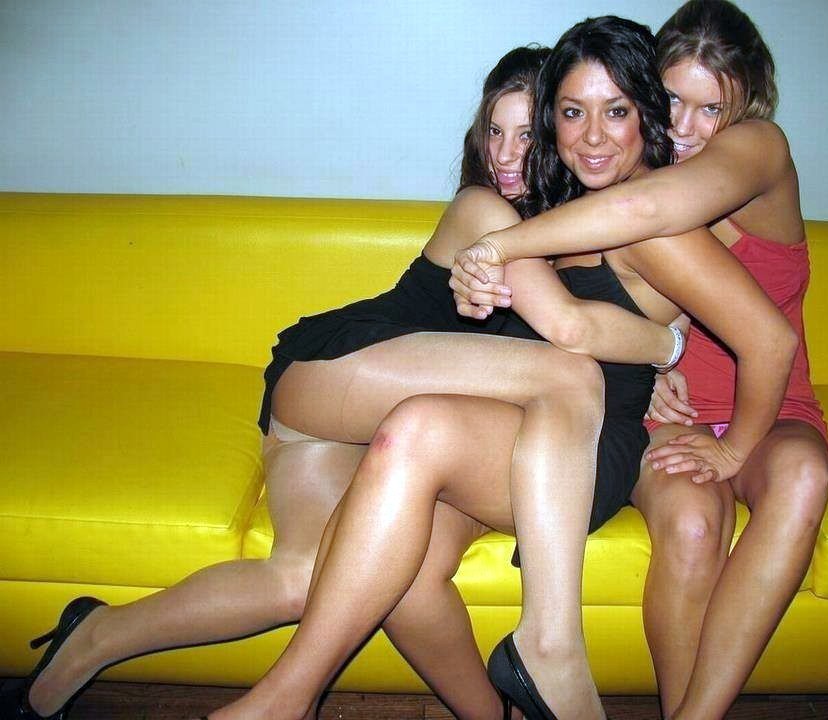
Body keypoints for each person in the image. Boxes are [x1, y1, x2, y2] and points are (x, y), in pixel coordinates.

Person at [2, 45, 676, 720]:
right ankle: (548, 647)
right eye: (493, 131)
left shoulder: (553, 236)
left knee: (305, 579)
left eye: (524, 135)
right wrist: (667, 350)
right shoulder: (485, 211)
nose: (503, 154)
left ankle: (89, 639)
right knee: (566, 374)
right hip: (342, 368)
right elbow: (567, 330)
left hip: (331, 414)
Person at [199, 15, 797, 720]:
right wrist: (478, 279)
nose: (592, 136)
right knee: (406, 564)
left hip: (588, 445)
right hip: (519, 426)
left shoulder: (659, 230)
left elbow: (769, 341)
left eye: (616, 112)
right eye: (571, 113)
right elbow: (527, 315)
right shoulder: (566, 209)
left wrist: (731, 445)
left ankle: (303, 696)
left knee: (422, 425)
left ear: (646, 115)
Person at [452, 2, 828, 718]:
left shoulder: (756, 151)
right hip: (670, 415)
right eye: (672, 102)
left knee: (804, 474)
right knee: (692, 526)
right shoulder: (615, 181)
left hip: (772, 405)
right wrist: (656, 366)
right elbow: (605, 310)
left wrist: (497, 246)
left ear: (748, 104)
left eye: (711, 108)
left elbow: (652, 217)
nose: (686, 128)